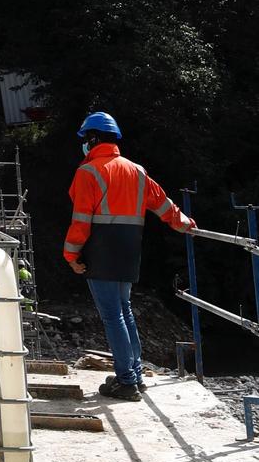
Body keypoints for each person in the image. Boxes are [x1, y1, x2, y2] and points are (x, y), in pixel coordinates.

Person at [64, 110, 195, 402]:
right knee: (124, 312)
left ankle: (126, 382)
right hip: (129, 249)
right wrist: (184, 223)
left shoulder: (88, 172)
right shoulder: (136, 170)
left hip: (102, 250)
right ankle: (133, 374)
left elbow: (81, 220)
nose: (84, 144)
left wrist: (71, 255)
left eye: (86, 139)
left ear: (93, 139)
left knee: (113, 316)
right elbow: (163, 205)